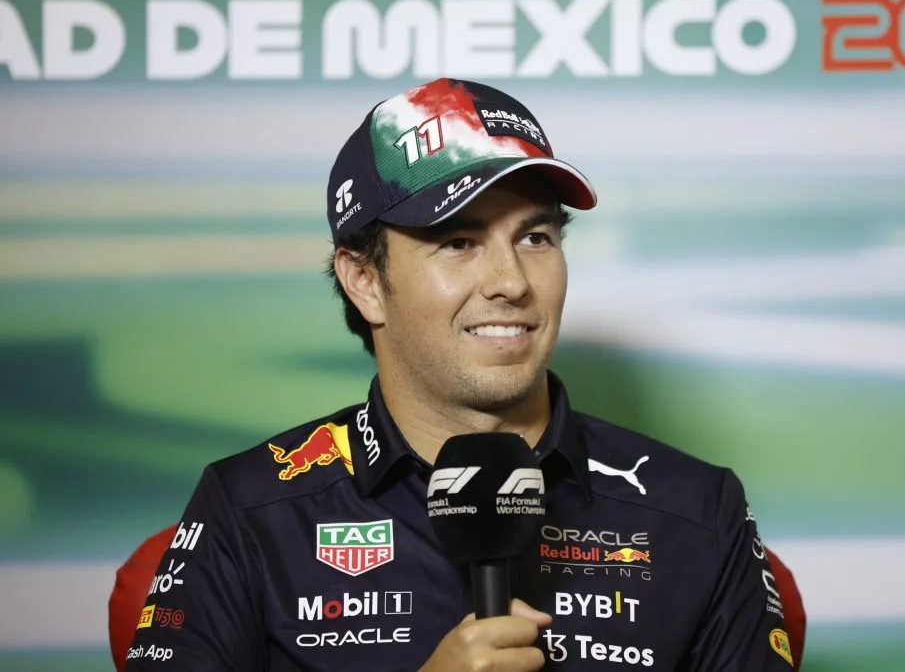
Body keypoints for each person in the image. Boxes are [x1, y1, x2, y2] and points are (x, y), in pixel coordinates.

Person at [124, 77, 796, 671]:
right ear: (364, 280)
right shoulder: (251, 509)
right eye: (459, 242)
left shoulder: (696, 509)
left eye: (535, 237)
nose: (512, 282)